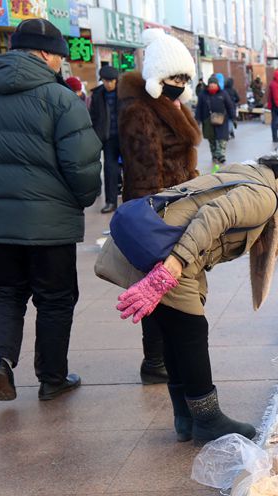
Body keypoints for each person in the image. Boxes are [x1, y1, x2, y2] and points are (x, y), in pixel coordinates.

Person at [94, 158, 278, 442]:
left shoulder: (252, 175)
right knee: (190, 332)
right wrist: (176, 263)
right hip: (171, 253)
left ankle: (185, 416)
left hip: (162, 242)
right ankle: (207, 419)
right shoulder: (266, 198)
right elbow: (214, 215)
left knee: (174, 333)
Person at [0, 18, 101, 402]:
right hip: (49, 224)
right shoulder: (61, 100)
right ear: (43, 53)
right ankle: (52, 379)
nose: (60, 64)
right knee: (54, 299)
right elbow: (82, 166)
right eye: (59, 56)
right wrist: (85, 198)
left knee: (4, 293)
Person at [118, 27, 201, 386]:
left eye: (184, 77)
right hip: (157, 211)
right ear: (157, 77)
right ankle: (154, 359)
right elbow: (144, 171)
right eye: (173, 77)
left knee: (173, 284)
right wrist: (155, 220)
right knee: (157, 284)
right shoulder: (141, 112)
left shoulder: (174, 107)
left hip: (181, 206)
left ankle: (166, 353)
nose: (179, 83)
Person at [90, 65, 122, 213]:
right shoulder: (97, 95)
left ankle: (134, 200)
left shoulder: (125, 93)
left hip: (125, 138)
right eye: (105, 81)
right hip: (108, 139)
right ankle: (111, 201)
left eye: (111, 81)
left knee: (132, 168)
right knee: (110, 169)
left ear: (116, 80)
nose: (108, 84)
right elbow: (93, 117)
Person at [196, 75, 234, 168]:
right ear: (208, 85)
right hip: (208, 120)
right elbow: (199, 107)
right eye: (210, 85)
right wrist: (198, 119)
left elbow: (229, 106)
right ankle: (214, 156)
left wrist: (233, 116)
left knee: (222, 139)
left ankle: (221, 156)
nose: (212, 87)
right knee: (211, 139)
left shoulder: (223, 93)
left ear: (217, 85)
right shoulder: (203, 94)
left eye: (214, 85)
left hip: (222, 119)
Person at [267, 70, 278, 143]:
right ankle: (275, 137)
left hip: (275, 105)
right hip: (275, 106)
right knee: (275, 122)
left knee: (275, 122)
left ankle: (275, 137)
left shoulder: (275, 84)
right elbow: (276, 97)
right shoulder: (275, 85)